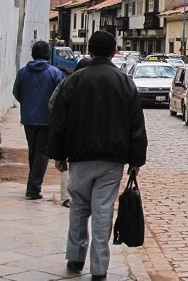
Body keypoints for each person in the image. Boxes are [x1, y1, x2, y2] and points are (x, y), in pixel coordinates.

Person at [47, 31, 148, 280]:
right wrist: (136, 161)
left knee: (78, 208)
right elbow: (136, 125)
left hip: (79, 156)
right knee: (103, 211)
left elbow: (59, 121)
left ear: (89, 51)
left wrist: (58, 154)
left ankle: (75, 257)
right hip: (111, 160)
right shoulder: (125, 82)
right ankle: (100, 267)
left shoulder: (74, 81)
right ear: (114, 52)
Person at [12, 40, 64, 200]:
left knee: (33, 151)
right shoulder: (55, 73)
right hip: (47, 119)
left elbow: (17, 93)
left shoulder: (22, 73)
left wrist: (28, 104)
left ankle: (33, 183)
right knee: (42, 153)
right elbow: (60, 97)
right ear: (48, 54)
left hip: (28, 118)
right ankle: (33, 188)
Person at [48, 57, 92, 208]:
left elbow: (52, 103)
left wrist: (61, 119)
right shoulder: (94, 84)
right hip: (87, 133)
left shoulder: (66, 83)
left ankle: (67, 196)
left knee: (67, 164)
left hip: (69, 131)